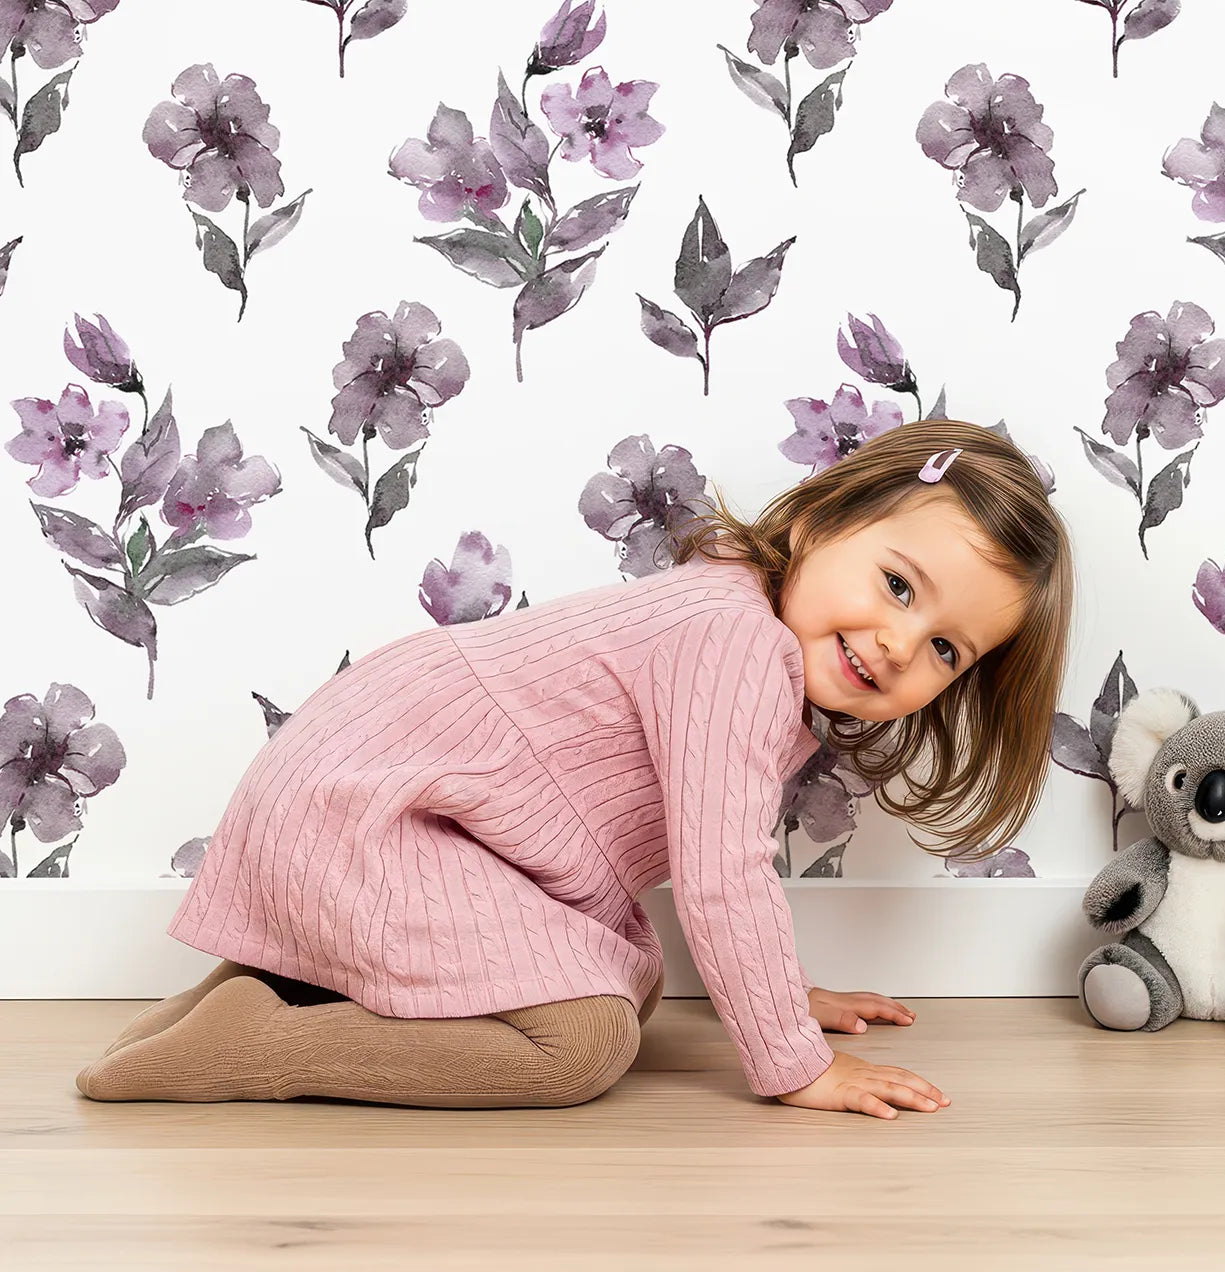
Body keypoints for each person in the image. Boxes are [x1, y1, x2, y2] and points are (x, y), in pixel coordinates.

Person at [75, 418, 1073, 1120]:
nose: (902, 643)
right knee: (583, 1041)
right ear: (816, 523)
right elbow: (722, 871)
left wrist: (786, 988)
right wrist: (793, 1059)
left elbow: (710, 864)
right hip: (364, 814)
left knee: (620, 982)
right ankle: (262, 1043)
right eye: (897, 585)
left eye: (945, 650)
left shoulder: (737, 626)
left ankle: (269, 985)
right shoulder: (733, 642)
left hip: (373, 809)